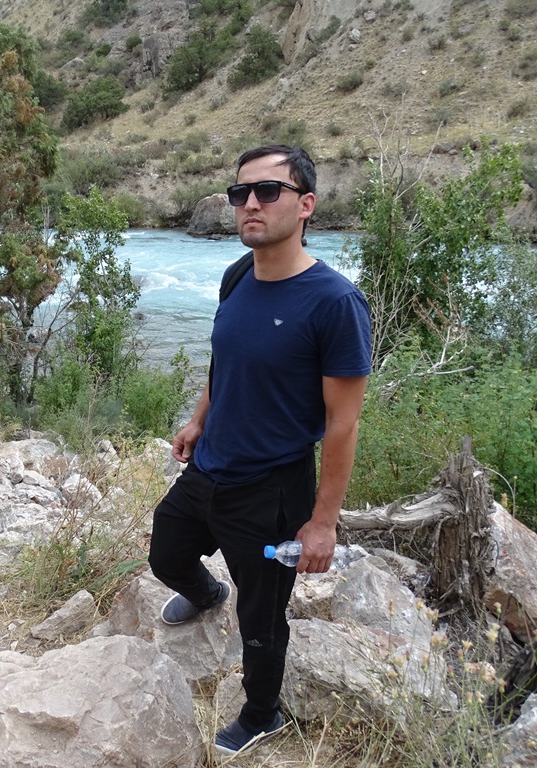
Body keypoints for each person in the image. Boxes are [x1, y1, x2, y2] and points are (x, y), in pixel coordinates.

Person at [147, 144, 371, 756]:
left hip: (273, 491)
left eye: (267, 191)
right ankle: (205, 593)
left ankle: (262, 713)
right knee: (165, 552)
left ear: (305, 205)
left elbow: (344, 424)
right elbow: (226, 361)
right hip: (211, 465)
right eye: (240, 192)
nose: (250, 203)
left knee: (264, 620)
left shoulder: (335, 303)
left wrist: (322, 523)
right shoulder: (237, 276)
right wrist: (198, 420)